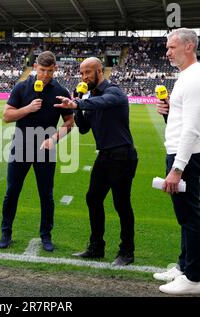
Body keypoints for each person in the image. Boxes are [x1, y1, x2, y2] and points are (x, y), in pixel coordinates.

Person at [54, 57, 138, 266]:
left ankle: (127, 251)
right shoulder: (90, 96)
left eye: (87, 73)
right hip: (105, 156)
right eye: (82, 73)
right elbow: (83, 128)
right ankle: (96, 247)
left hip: (122, 155)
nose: (83, 77)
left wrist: (79, 102)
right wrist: (77, 107)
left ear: (100, 71)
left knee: (121, 204)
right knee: (93, 198)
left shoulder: (113, 90)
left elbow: (106, 102)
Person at [153, 28, 200, 295]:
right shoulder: (187, 77)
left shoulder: (196, 79)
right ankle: (183, 267)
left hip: (186, 156)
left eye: (172, 47)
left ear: (189, 46)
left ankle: (192, 279)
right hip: (183, 153)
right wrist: (169, 113)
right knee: (184, 216)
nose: (167, 52)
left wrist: (177, 169)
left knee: (189, 217)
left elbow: (191, 129)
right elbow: (183, 121)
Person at [0, 51, 74, 252]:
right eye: (42, 70)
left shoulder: (61, 91)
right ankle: (6, 232)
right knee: (12, 192)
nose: (46, 75)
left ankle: (46, 235)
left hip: (45, 148)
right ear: (35, 68)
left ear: (55, 69)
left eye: (50, 71)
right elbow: (6, 116)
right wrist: (28, 109)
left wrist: (54, 138)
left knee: (46, 195)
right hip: (21, 145)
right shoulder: (21, 88)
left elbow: (70, 122)